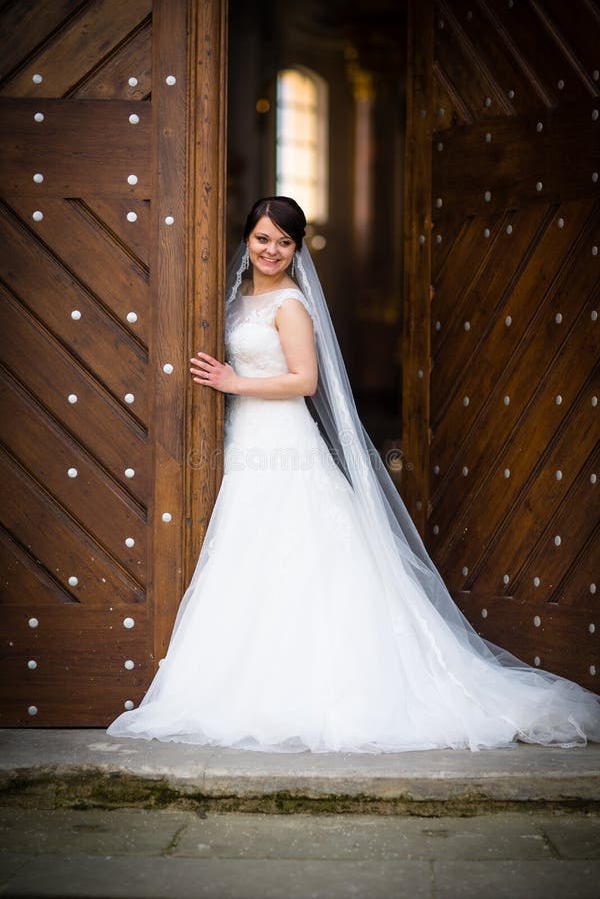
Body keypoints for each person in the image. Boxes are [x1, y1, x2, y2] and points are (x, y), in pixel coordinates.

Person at [107, 196, 600, 753]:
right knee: (251, 552)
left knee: (297, 548)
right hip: (247, 440)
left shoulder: (290, 305)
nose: (271, 250)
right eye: (263, 238)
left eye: (284, 242)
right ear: (246, 238)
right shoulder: (236, 298)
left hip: (283, 438)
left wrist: (233, 383)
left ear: (297, 250)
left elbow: (305, 381)